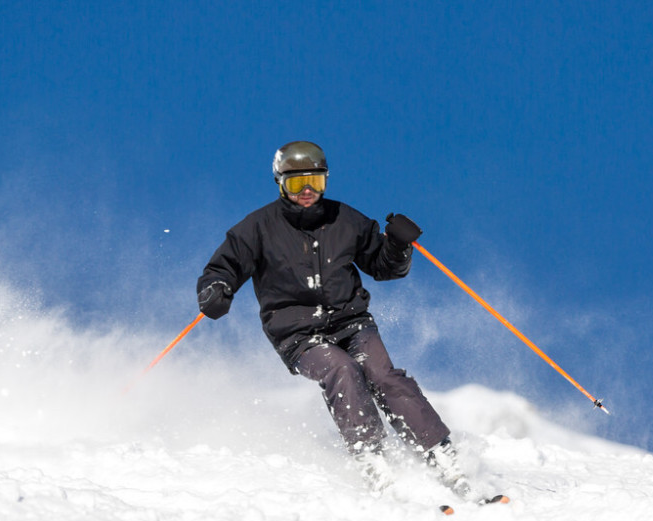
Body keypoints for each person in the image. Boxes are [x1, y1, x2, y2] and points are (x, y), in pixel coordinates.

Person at [196, 140, 469, 497]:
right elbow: (224, 266)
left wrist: (398, 246)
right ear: (280, 183)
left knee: (383, 376)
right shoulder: (258, 228)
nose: (307, 191)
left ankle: (440, 453)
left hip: (351, 321)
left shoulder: (346, 219)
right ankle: (372, 457)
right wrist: (216, 289)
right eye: (297, 184)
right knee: (343, 371)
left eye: (315, 182)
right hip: (298, 332)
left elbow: (382, 267)